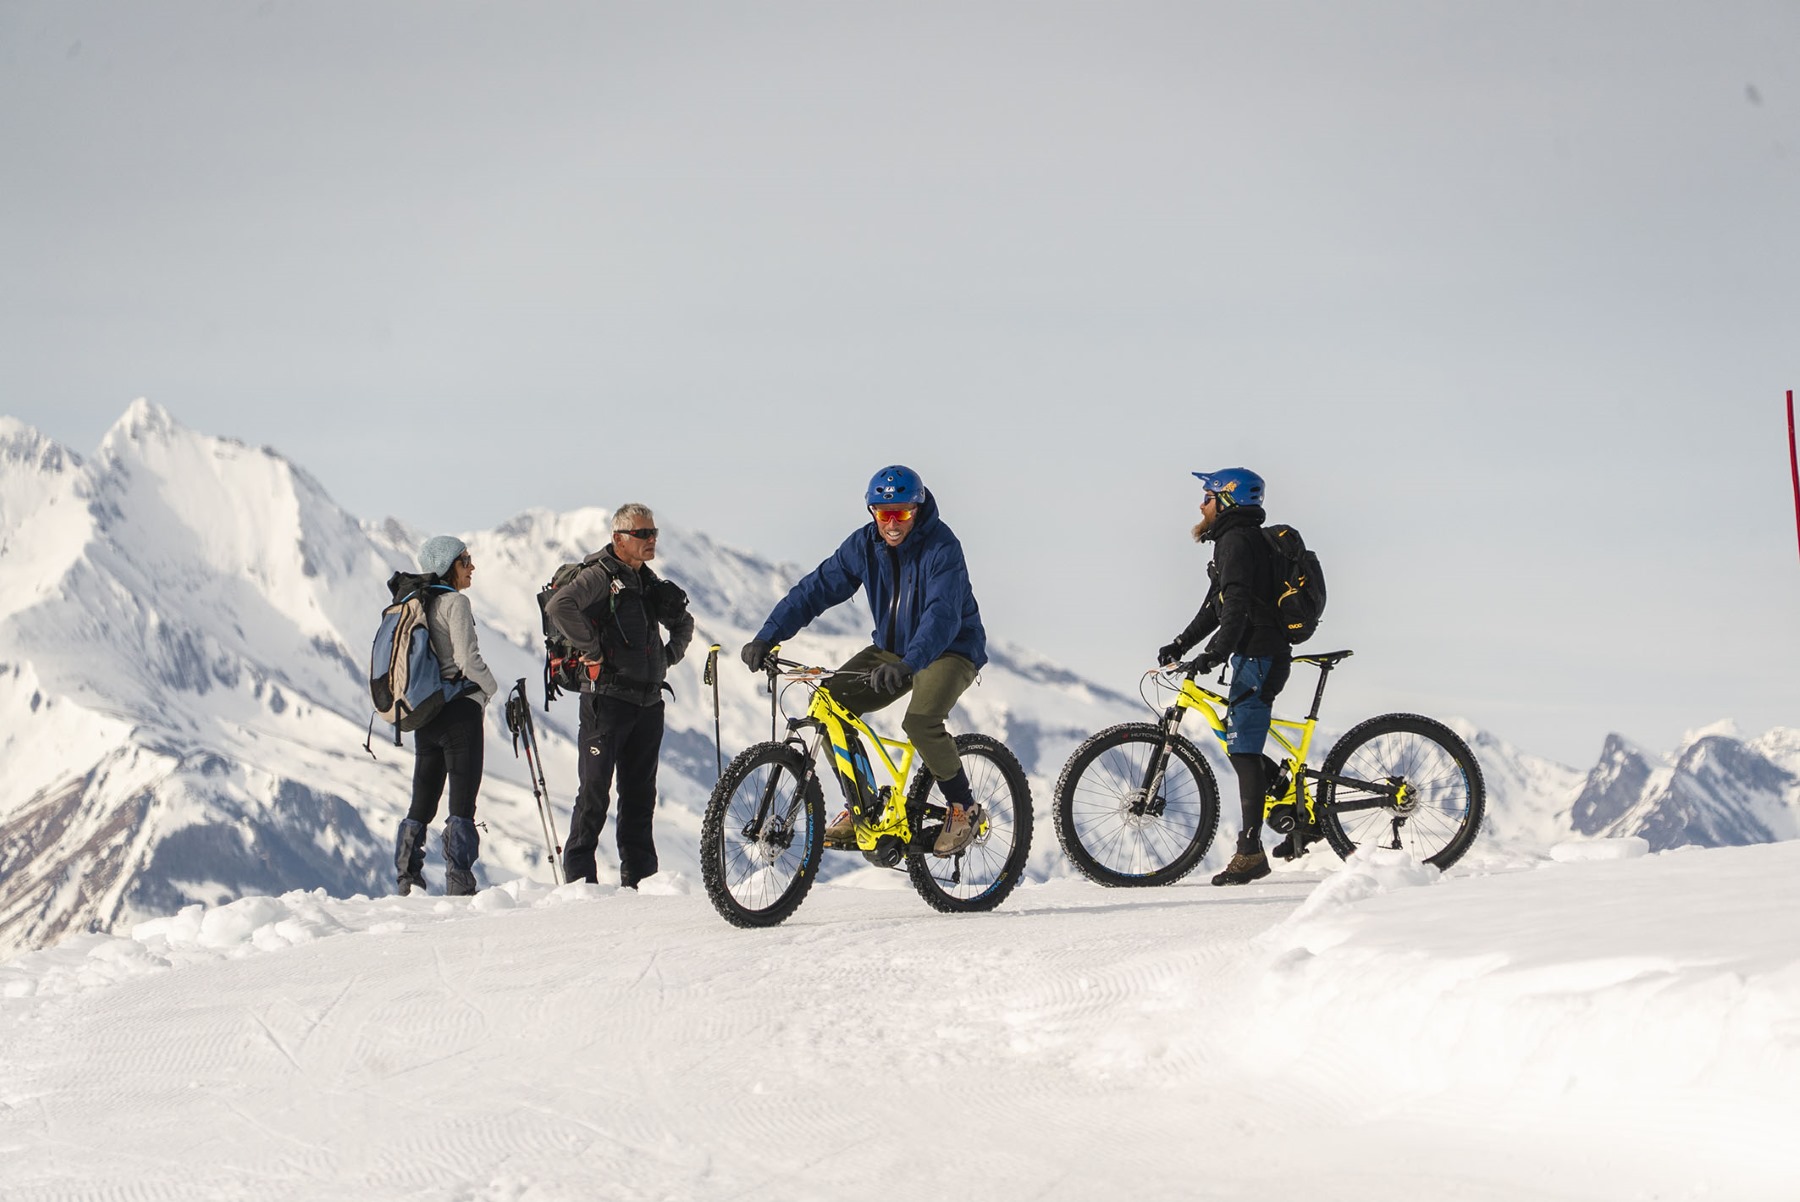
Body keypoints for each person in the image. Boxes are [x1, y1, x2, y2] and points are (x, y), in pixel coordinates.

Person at [740, 465, 986, 855]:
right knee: (828, 704)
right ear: (871, 511)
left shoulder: (942, 547)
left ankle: (963, 806)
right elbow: (815, 590)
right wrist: (768, 635)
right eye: (883, 513)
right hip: (892, 649)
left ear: (917, 510)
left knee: (920, 721)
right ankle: (864, 809)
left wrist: (909, 665)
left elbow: (942, 615)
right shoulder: (863, 545)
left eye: (901, 513)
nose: (891, 523)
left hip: (949, 648)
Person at [1156, 468, 1295, 886]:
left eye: (1208, 497)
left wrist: (1212, 655)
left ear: (1229, 501)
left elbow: (1234, 609)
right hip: (1255, 654)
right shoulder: (1234, 543)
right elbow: (1215, 609)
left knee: (1244, 747)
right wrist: (1181, 645)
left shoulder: (1236, 542)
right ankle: (1298, 812)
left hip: (1259, 655)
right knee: (1238, 742)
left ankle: (1250, 851)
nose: (1201, 504)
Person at [544, 504, 694, 888]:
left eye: (653, 532)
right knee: (594, 791)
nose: (651, 540)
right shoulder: (599, 576)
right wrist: (591, 649)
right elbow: (560, 606)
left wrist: (668, 655)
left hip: (647, 702)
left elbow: (683, 620)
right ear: (619, 538)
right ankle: (579, 880)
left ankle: (641, 878)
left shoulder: (646, 580)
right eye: (642, 534)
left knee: (640, 794)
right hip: (606, 700)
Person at [395, 535, 500, 897]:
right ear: (448, 565)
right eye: (465, 560)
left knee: (422, 797)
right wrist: (490, 688)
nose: (472, 567)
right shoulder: (456, 602)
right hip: (460, 712)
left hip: (426, 712)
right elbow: (467, 660)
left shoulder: (416, 603)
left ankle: (408, 881)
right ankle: (459, 883)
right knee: (461, 801)